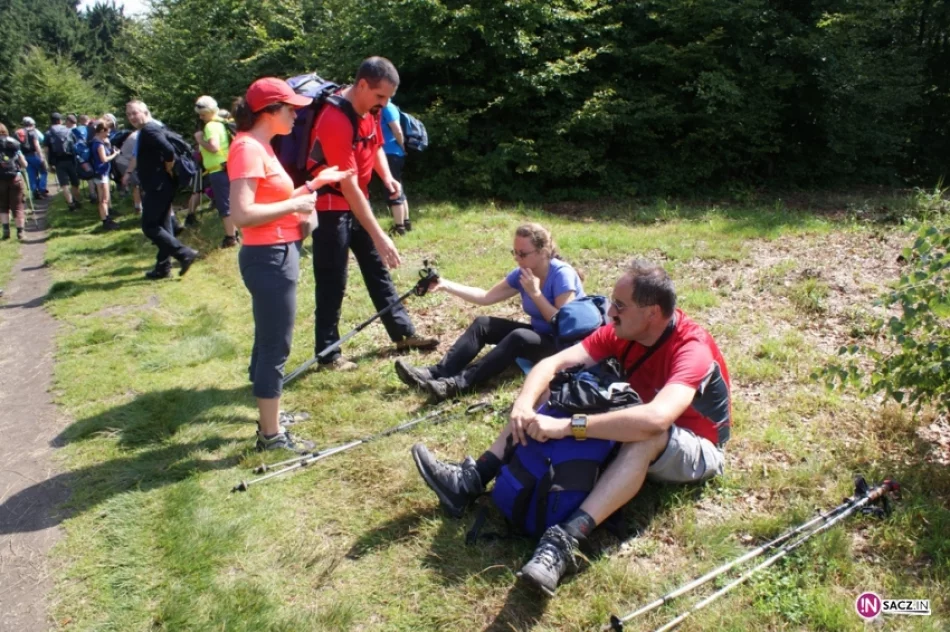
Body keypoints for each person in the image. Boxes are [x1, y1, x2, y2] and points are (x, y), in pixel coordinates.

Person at [411, 259, 732, 595]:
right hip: (639, 412)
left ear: (652, 313)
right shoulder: (624, 330)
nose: (610, 312)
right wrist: (523, 404)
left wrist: (567, 427)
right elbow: (553, 363)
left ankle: (564, 541)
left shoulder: (691, 348)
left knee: (646, 436)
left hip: (698, 446)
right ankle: (473, 479)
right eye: (612, 302)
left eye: (620, 305)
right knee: (556, 385)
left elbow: (656, 419)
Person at [228, 77, 353, 452]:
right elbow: (242, 214)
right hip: (269, 256)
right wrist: (295, 206)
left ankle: (271, 417)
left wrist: (315, 185)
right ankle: (270, 437)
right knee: (275, 345)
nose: (297, 115)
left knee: (269, 338)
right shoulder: (248, 149)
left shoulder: (261, 146)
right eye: (290, 109)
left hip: (276, 254)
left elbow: (274, 197)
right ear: (269, 112)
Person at [308, 56, 437, 371]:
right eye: (380, 96)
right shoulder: (334, 119)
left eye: (389, 98)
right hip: (330, 205)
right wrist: (380, 235)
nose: (384, 103)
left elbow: (375, 144)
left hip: (356, 200)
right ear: (361, 84)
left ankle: (403, 334)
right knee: (332, 279)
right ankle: (328, 354)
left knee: (377, 270)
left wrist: (387, 177)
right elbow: (347, 186)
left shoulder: (369, 110)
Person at [395, 223, 585, 401]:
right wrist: (445, 284)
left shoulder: (562, 274)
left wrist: (535, 294)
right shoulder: (523, 272)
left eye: (523, 254)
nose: (518, 259)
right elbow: (485, 297)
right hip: (541, 335)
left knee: (519, 336)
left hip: (563, 345)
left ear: (543, 251)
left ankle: (456, 385)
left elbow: (561, 322)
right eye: (515, 253)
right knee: (483, 324)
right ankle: (436, 373)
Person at [124, 100, 199, 279]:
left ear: (145, 111)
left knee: (149, 226)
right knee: (164, 226)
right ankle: (163, 267)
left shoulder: (149, 130)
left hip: (158, 186)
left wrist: (168, 165)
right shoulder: (148, 129)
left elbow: (168, 150)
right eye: (129, 115)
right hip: (160, 185)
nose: (132, 117)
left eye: (135, 113)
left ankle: (184, 254)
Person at [194, 95, 237, 247]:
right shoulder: (221, 123)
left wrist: (200, 140)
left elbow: (214, 147)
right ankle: (235, 233)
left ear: (209, 111)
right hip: (226, 166)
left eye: (202, 114)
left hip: (219, 170)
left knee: (225, 205)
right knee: (232, 202)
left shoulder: (211, 126)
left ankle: (230, 238)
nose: (200, 117)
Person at [380, 100, 410, 234]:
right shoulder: (386, 106)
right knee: (398, 185)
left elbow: (397, 130)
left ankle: (399, 228)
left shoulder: (387, 107)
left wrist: (402, 146)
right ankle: (406, 222)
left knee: (392, 189)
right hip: (391, 153)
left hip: (390, 153)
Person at [44, 113, 81, 211]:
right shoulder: (68, 130)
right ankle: (77, 201)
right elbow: (76, 144)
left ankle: (71, 204)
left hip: (58, 161)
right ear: (60, 120)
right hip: (71, 159)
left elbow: (47, 150)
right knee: (75, 182)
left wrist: (49, 163)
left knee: (64, 184)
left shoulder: (48, 133)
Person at [90, 123, 121, 231]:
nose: (108, 134)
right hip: (102, 173)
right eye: (107, 131)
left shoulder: (95, 141)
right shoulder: (99, 144)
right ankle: (106, 221)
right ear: (102, 130)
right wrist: (115, 154)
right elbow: (104, 159)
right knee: (104, 199)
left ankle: (107, 219)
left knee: (103, 199)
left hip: (99, 173)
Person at [0, 124, 28, 240]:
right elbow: (24, 164)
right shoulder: (14, 143)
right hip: (15, 178)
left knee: (2, 206)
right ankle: (20, 232)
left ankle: (6, 231)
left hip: (0, 180)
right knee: (18, 206)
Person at [19, 117, 47, 199]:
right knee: (44, 172)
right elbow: (37, 144)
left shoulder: (19, 133)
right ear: (32, 124)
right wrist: (41, 155)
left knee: (31, 175)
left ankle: (34, 191)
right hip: (35, 155)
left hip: (25, 156)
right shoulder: (33, 132)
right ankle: (42, 189)